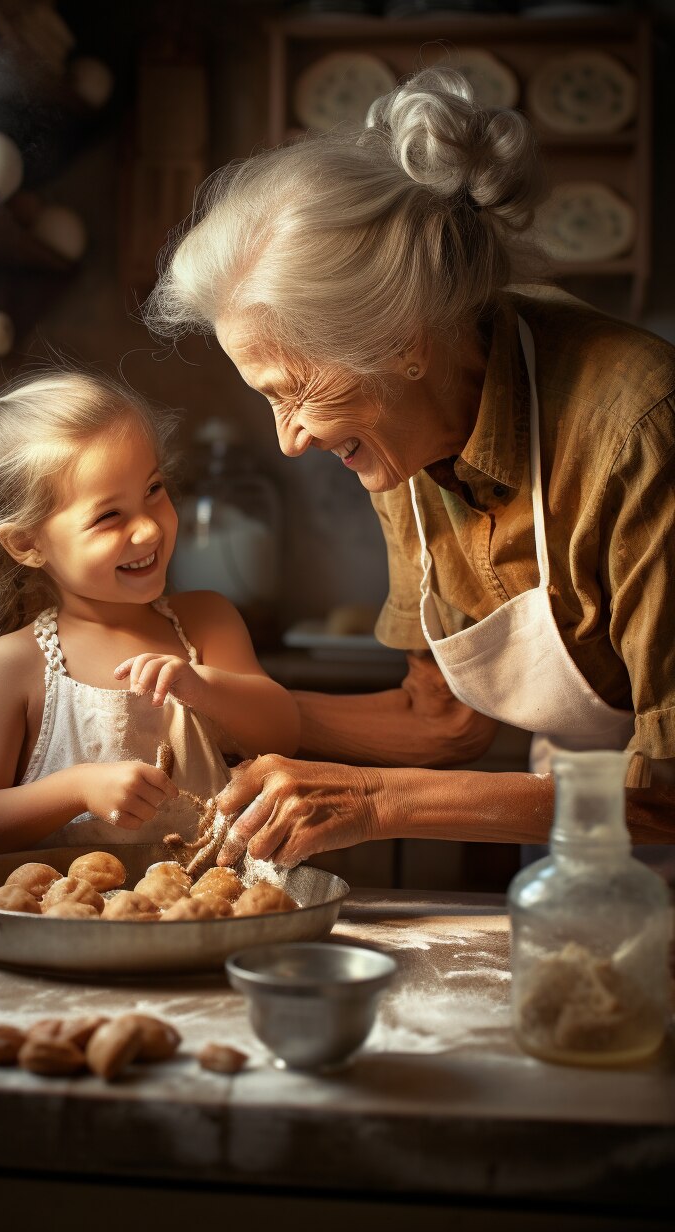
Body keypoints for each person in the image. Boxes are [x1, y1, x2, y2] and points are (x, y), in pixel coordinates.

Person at [142, 66, 675, 870]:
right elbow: (443, 721)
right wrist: (217, 710)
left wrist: (377, 801)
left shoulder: (640, 432)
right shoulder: (404, 432)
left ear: (404, 344)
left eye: (297, 393)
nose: (289, 440)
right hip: (580, 829)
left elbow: (667, 794)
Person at [0, 370, 299, 862]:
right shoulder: (14, 664)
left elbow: (284, 733)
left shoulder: (207, 622)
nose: (147, 529)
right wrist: (77, 790)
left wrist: (202, 687)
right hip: (70, 921)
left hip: (208, 912)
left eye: (154, 489)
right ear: (27, 544)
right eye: (109, 516)